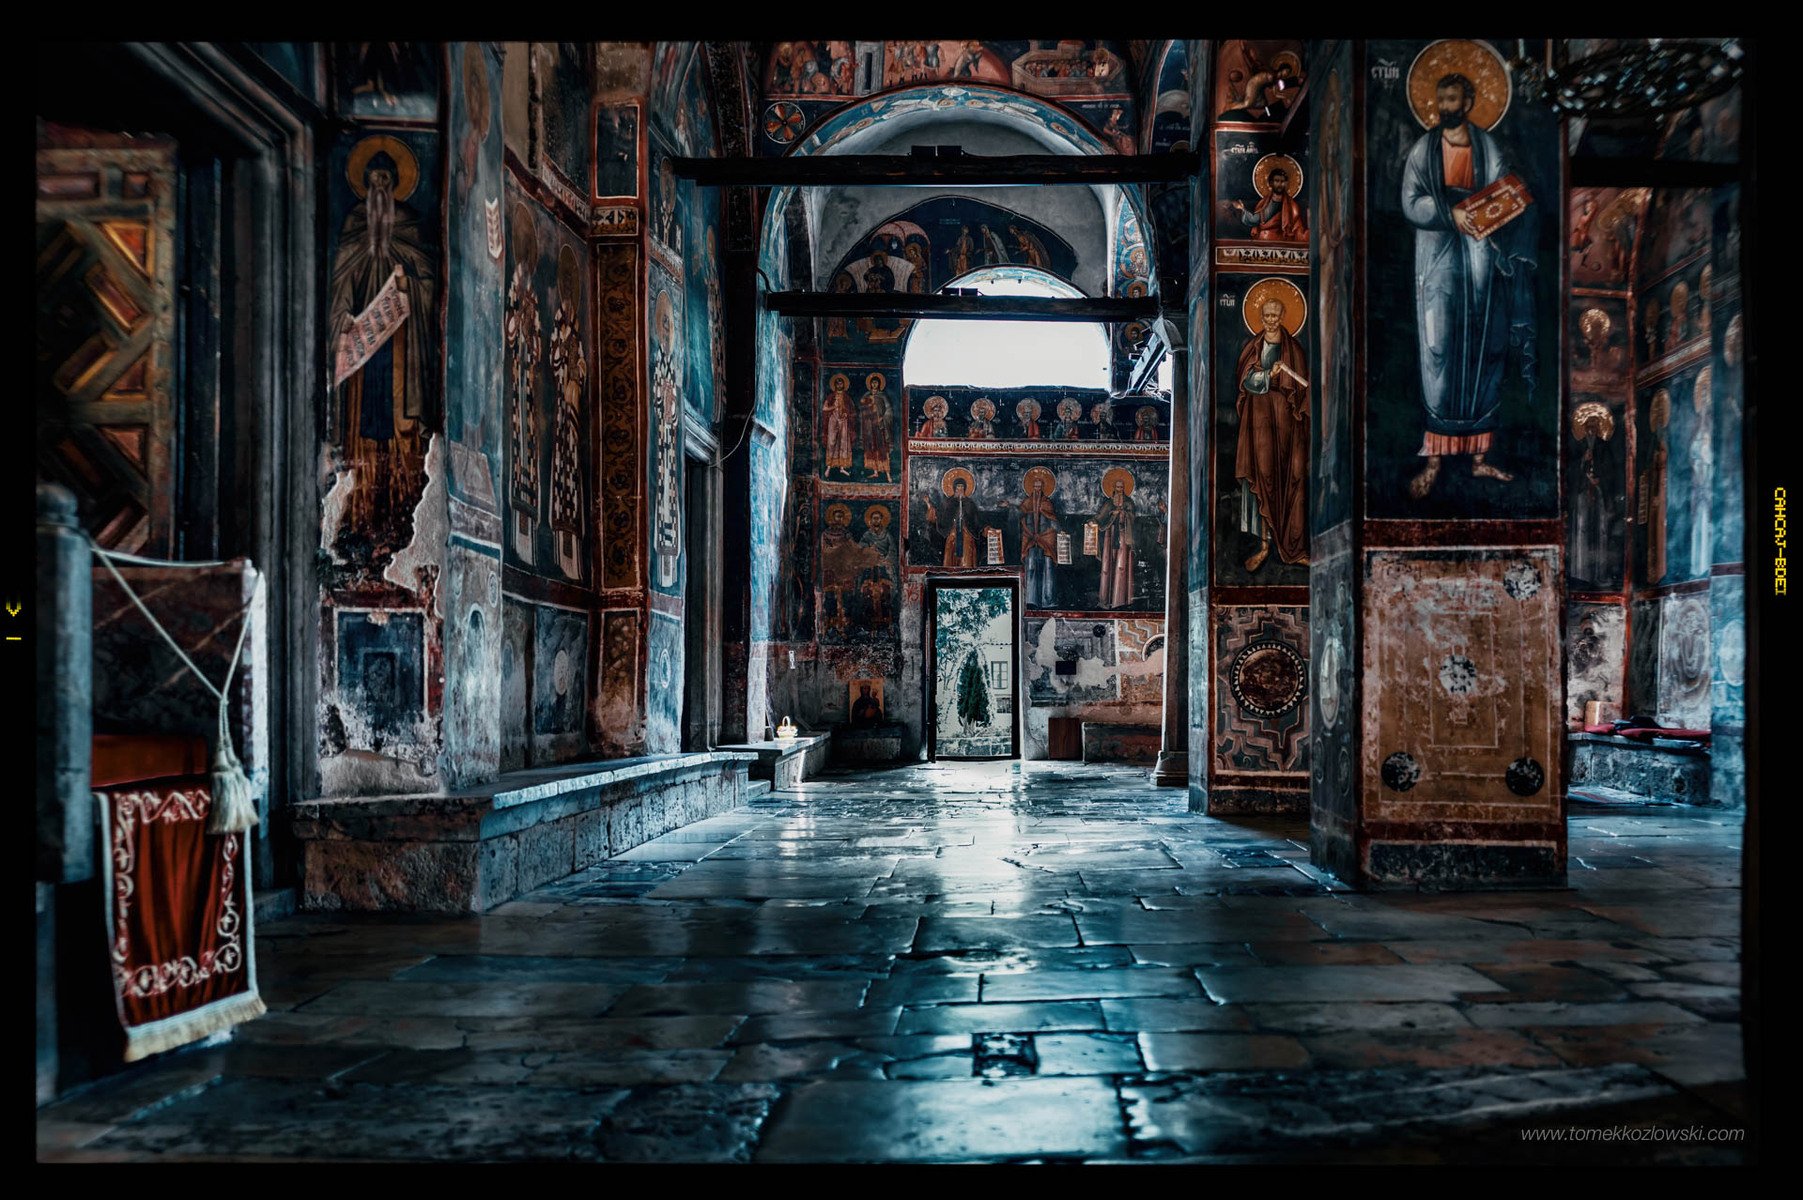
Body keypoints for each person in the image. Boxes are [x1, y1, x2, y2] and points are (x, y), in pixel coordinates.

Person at [1400, 71, 1536, 500]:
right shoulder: (1423, 150)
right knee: (1438, 349)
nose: (1445, 106)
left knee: (1484, 349)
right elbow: (1411, 202)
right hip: (1438, 256)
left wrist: (1501, 205)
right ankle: (1434, 461)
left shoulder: (1486, 146)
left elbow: (1502, 192)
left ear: (1469, 101)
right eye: (1441, 99)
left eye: (1453, 98)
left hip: (1480, 254)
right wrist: (1450, 214)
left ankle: (1480, 458)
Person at [329, 143, 438, 529]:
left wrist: (408, 285)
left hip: (401, 342)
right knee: (362, 420)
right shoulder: (356, 222)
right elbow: (341, 280)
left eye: (385, 180)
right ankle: (359, 502)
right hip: (363, 342)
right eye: (373, 180)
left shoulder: (408, 224)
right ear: (365, 183)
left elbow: (428, 281)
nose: (379, 187)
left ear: (394, 183)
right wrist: (343, 314)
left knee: (399, 417)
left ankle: (402, 500)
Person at [1234, 296, 1309, 571]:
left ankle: (1293, 548)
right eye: (1266, 316)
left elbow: (1302, 389)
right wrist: (1270, 376)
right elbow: (1245, 381)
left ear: (1282, 317)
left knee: (1292, 477)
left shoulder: (1294, 349)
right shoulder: (1254, 348)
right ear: (1261, 317)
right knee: (1263, 476)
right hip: (1260, 420)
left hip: (1288, 421)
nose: (1271, 321)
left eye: (1275, 316)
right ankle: (1265, 546)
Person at [1017, 469, 1061, 607]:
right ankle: (1031, 600)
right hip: (1031, 540)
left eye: (1039, 487)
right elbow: (1018, 514)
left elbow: (1054, 522)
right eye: (1035, 487)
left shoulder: (1047, 503)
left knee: (1048, 566)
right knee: (1030, 564)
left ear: (1043, 488)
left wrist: (1056, 527)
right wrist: (1010, 507)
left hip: (1045, 539)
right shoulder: (1027, 502)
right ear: (1032, 487)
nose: (1037, 489)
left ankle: (1048, 600)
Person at [1094, 474, 1137, 608]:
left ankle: (1119, 600)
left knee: (1121, 566)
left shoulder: (1129, 502)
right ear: (1114, 488)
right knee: (1108, 565)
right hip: (1110, 535)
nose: (1119, 490)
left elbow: (1133, 517)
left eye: (1121, 487)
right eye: (1117, 487)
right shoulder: (1108, 503)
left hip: (1124, 536)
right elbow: (1100, 516)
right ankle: (1105, 600)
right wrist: (1093, 521)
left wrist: (1122, 513)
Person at [1233, 166, 1307, 241]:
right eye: (1277, 181)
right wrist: (1242, 208)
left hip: (1281, 241)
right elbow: (1255, 220)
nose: (1280, 184)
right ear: (1271, 183)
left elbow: (1297, 227)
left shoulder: (1292, 206)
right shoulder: (1263, 203)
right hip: (1263, 240)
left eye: (1282, 181)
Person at [926, 474, 982, 567]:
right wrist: (929, 505)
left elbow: (976, 520)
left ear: (965, 488)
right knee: (950, 558)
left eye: (962, 486)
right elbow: (938, 516)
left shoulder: (970, 503)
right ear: (954, 488)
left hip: (967, 535)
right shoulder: (948, 502)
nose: (960, 489)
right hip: (952, 534)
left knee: (967, 559)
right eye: (958, 486)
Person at [858, 375, 893, 480]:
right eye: (872, 382)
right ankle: (875, 471)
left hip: (880, 426)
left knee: (882, 449)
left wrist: (882, 418)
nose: (874, 384)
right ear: (870, 384)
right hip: (869, 427)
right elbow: (862, 410)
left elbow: (889, 410)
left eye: (876, 382)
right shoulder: (866, 396)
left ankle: (887, 474)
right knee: (872, 449)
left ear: (879, 384)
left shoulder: (882, 396)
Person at [822, 374, 855, 478]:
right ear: (835, 385)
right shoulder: (831, 396)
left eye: (841, 383)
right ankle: (829, 467)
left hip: (843, 422)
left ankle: (842, 467)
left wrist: (846, 414)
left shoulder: (847, 397)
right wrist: (833, 407)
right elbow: (824, 408)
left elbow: (852, 411)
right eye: (838, 384)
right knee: (832, 442)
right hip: (833, 420)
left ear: (844, 385)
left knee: (843, 443)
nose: (839, 385)